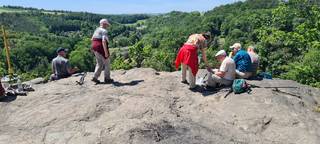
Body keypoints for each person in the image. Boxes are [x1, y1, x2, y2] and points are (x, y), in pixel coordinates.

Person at [91, 18, 113, 84]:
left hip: (94, 47)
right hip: (100, 47)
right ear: (104, 24)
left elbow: (92, 39)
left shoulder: (96, 30)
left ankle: (95, 77)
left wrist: (93, 48)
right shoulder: (104, 31)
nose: (107, 26)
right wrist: (106, 52)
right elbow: (103, 41)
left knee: (99, 63)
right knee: (107, 63)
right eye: (107, 25)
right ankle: (107, 78)